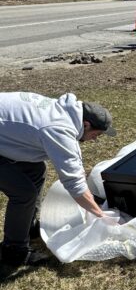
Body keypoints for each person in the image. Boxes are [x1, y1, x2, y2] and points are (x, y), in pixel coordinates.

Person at [0, 91, 117, 267]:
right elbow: (74, 183)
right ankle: (14, 251)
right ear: (86, 124)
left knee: (36, 169)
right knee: (24, 194)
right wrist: (100, 215)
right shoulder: (59, 130)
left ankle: (27, 226)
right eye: (96, 135)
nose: (94, 140)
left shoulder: (65, 112)